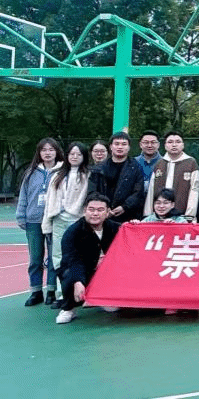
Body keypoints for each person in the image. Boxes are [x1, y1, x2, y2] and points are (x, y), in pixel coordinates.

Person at [54, 193, 121, 324]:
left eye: (100, 210)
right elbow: (71, 260)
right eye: (91, 209)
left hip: (105, 272)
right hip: (82, 270)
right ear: (85, 210)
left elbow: (130, 230)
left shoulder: (114, 227)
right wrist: (78, 281)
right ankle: (68, 308)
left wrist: (134, 224)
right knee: (68, 274)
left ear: (108, 212)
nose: (95, 213)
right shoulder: (72, 232)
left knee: (113, 308)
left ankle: (101, 299)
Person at [42, 141, 90, 309]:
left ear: (84, 156)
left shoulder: (88, 176)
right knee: (58, 258)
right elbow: (50, 201)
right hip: (58, 220)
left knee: (77, 257)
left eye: (78, 154)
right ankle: (62, 293)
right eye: (71, 154)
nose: (74, 157)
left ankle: (78, 293)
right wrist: (48, 222)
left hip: (77, 221)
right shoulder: (57, 175)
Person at [17, 137, 65, 306]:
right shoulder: (31, 173)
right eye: (44, 150)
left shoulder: (62, 172)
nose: (47, 153)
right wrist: (21, 215)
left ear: (57, 152)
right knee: (35, 259)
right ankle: (35, 291)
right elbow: (24, 195)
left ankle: (51, 290)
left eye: (51, 149)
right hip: (34, 221)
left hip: (54, 220)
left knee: (53, 257)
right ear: (39, 153)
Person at [90, 131, 145, 222]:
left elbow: (138, 192)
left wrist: (124, 207)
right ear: (111, 147)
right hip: (102, 215)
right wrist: (104, 207)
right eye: (116, 144)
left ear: (129, 147)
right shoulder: (99, 168)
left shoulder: (136, 167)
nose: (120, 147)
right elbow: (93, 191)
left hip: (128, 215)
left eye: (124, 144)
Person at [144, 131, 199, 220]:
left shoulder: (191, 163)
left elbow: (194, 190)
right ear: (165, 145)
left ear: (183, 145)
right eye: (170, 142)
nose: (174, 145)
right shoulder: (159, 163)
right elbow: (151, 189)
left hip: (181, 217)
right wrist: (148, 214)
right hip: (158, 217)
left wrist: (190, 215)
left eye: (178, 142)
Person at [136, 130, 162, 194]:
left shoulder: (165, 163)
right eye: (146, 142)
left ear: (158, 145)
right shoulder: (133, 163)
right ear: (140, 144)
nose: (149, 145)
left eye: (153, 142)